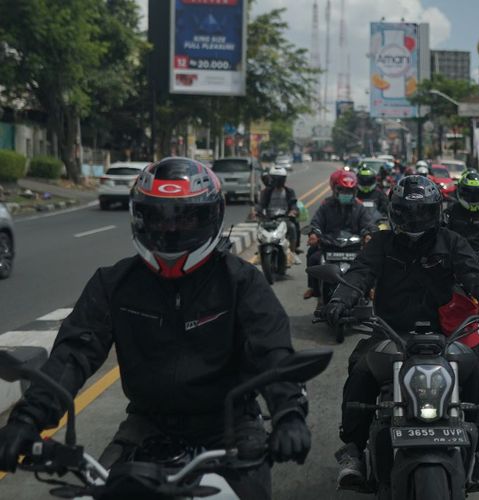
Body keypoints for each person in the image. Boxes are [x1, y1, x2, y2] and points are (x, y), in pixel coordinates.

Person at [0, 158, 310, 499]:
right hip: (146, 426)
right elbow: (73, 354)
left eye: (186, 218)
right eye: (157, 218)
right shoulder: (113, 284)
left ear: (212, 217)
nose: (171, 230)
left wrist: (288, 413)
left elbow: (271, 350)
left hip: (229, 429)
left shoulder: (241, 282)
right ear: (138, 218)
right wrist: (26, 420)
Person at [326, 175, 479, 496]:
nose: (415, 219)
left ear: (437, 211)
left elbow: (475, 276)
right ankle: (353, 450)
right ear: (394, 212)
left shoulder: (452, 241)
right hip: (391, 333)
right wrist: (339, 300)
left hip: (443, 335)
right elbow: (360, 273)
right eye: (407, 212)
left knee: (476, 372)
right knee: (360, 368)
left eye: (423, 212)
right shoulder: (382, 244)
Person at [304, 170, 377, 300]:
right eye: (343, 190)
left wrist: (368, 235)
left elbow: (368, 224)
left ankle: (370, 288)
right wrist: (314, 234)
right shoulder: (326, 205)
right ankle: (313, 288)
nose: (346, 194)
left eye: (349, 191)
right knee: (312, 256)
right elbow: (316, 222)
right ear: (335, 190)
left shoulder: (359, 207)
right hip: (329, 245)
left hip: (353, 246)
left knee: (371, 260)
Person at [257, 165, 300, 254]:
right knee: (259, 229)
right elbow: (261, 204)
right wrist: (257, 211)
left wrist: (293, 211)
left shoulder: (289, 192)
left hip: (284, 219)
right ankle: (261, 249)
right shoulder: (266, 192)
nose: (278, 181)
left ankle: (293, 251)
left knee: (292, 227)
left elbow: (293, 204)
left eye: (280, 179)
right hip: (269, 219)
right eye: (276, 178)